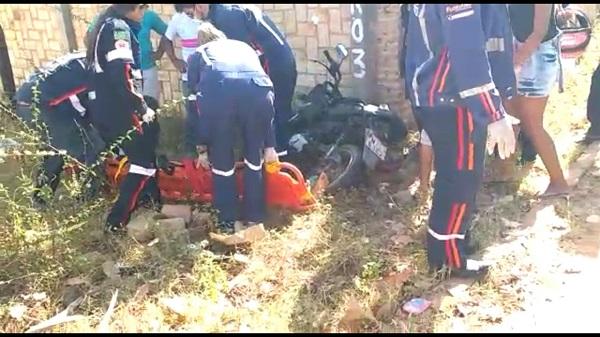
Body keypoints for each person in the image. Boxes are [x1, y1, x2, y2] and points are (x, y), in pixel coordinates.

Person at [405, 4, 516, 279]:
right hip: (454, 97)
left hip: (439, 95)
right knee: (460, 180)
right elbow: (466, 52)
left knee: (453, 178)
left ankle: (450, 240)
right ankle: (447, 258)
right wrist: (493, 112)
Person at [186, 22, 279, 233]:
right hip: (258, 92)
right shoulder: (243, 47)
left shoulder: (198, 54)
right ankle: (254, 219)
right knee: (255, 160)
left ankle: (227, 222)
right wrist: (270, 144)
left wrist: (201, 148)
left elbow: (194, 105)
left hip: (219, 92)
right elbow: (263, 86)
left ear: (201, 42)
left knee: (222, 161)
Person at [86, 4, 161, 233]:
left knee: (143, 153)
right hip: (119, 108)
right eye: (143, 9)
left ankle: (150, 202)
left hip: (108, 107)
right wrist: (140, 106)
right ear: (135, 8)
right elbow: (122, 73)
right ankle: (116, 222)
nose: (144, 14)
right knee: (143, 162)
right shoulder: (118, 29)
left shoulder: (107, 24)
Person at [194, 4, 298, 158]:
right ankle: (281, 159)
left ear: (199, 6)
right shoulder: (227, 10)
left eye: (191, 14)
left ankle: (277, 166)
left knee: (273, 117)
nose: (195, 19)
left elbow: (241, 57)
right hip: (280, 62)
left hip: (274, 66)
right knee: (278, 116)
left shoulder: (226, 17)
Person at [13, 52, 104, 206]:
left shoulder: (79, 58)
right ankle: (87, 203)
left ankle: (40, 200)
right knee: (93, 149)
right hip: (44, 107)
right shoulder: (92, 71)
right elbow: (88, 109)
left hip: (25, 103)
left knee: (55, 151)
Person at [506, 4, 569, 197]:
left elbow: (538, 32)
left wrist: (516, 61)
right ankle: (506, 172)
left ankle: (559, 182)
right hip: (521, 51)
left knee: (532, 124)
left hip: (537, 55)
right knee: (511, 113)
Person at [85, 5, 167, 102]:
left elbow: (167, 32)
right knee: (133, 106)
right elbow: (88, 37)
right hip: (125, 74)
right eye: (141, 7)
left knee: (151, 104)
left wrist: (159, 53)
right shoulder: (115, 24)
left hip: (145, 67)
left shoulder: (148, 16)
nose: (143, 11)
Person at [160, 4, 201, 157]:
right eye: (186, 10)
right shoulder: (178, 19)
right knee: (192, 115)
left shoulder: (209, 17)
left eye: (191, 8)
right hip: (189, 79)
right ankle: (192, 153)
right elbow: (166, 40)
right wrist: (175, 61)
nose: (189, 13)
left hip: (210, 77)